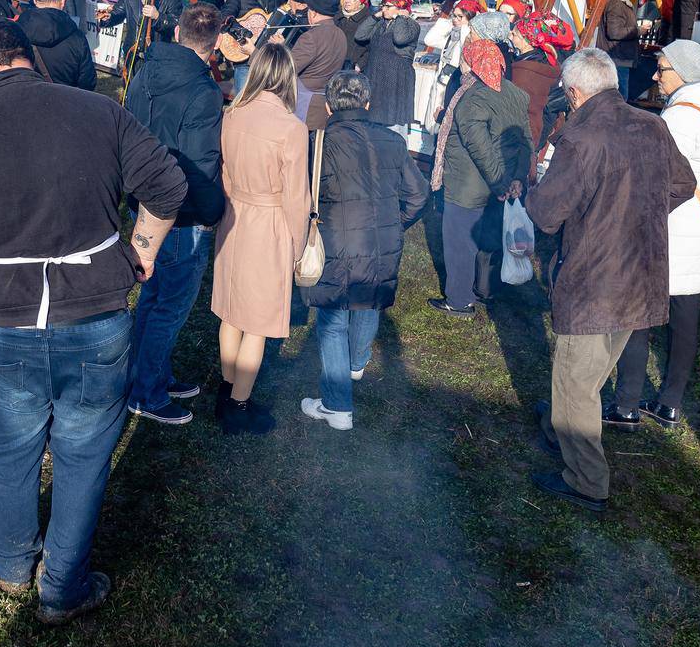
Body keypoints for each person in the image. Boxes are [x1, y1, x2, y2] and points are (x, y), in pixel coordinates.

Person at [0, 19, 187, 625]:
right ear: (29, 59)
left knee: (9, 450)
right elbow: (167, 188)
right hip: (94, 317)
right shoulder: (100, 111)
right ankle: (60, 586)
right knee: (84, 453)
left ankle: (11, 565)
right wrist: (144, 250)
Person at [524, 49, 696, 512]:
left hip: (595, 275)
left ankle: (587, 480)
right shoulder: (652, 124)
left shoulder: (582, 138)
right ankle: (559, 423)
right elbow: (684, 184)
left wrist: (534, 188)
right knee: (593, 367)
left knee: (577, 381)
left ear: (575, 92)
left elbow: (546, 212)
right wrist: (636, 215)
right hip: (642, 269)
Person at [608, 41, 700, 429]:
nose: (655, 75)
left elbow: (654, 178)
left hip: (671, 229)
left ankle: (627, 403)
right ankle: (670, 402)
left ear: (683, 72)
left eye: (662, 69)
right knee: (685, 317)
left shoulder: (682, 117)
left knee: (638, 314)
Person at [301, 70, 429, 430]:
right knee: (369, 300)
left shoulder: (318, 141)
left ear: (328, 105)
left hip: (335, 240)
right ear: (368, 104)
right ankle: (355, 365)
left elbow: (302, 195)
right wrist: (396, 223)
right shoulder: (393, 140)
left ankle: (337, 404)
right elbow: (419, 196)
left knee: (332, 317)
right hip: (382, 240)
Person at [122, 3, 227, 425]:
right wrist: (212, 210)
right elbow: (200, 164)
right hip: (179, 212)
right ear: (215, 44)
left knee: (153, 295)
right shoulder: (202, 91)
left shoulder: (148, 69)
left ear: (179, 33)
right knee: (169, 305)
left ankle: (150, 374)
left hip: (142, 197)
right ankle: (144, 392)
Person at [211, 42, 311, 436]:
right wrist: (298, 245)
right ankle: (238, 404)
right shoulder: (291, 128)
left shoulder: (232, 114)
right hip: (268, 223)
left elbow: (225, 175)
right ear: (286, 76)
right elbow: (296, 197)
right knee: (256, 320)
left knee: (231, 311)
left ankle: (226, 388)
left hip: (234, 218)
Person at [429, 39, 531, 317]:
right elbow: (525, 141)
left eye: (465, 60)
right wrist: (517, 179)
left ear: (473, 64)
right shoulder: (516, 93)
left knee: (460, 243)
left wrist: (499, 182)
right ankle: (486, 290)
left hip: (468, 186)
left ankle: (459, 300)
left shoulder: (470, 97)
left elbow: (480, 147)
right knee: (487, 239)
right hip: (503, 184)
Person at [355, 0, 423, 136]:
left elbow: (400, 38)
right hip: (376, 76)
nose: (383, 9)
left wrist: (401, 18)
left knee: (394, 122)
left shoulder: (411, 25)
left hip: (397, 78)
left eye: (387, 6)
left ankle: (396, 154)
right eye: (382, 6)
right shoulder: (380, 23)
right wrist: (375, 16)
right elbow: (360, 35)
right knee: (373, 120)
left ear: (399, 7)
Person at [15, 0, 97, 90]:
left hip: (23, 100)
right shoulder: (77, 37)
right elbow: (87, 83)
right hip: (64, 103)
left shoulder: (15, 31)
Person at [508, 12, 573, 155]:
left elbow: (522, 109)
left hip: (523, 137)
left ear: (526, 40)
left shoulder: (526, 71)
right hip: (540, 132)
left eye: (514, 34)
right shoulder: (545, 60)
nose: (509, 36)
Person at [285, 0, 349, 129]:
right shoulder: (341, 35)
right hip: (325, 104)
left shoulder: (311, 37)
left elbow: (286, 69)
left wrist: (275, 50)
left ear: (313, 12)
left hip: (305, 107)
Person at [590, 0, 642, 99]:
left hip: (617, 58)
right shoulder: (616, 3)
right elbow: (614, 32)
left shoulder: (617, 2)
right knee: (618, 100)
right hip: (617, 59)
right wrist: (638, 31)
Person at [337, 0, 371, 68]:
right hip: (334, 62)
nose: (347, 1)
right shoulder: (337, 16)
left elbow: (372, 46)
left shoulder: (367, 20)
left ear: (360, 0)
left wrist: (360, 64)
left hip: (352, 65)